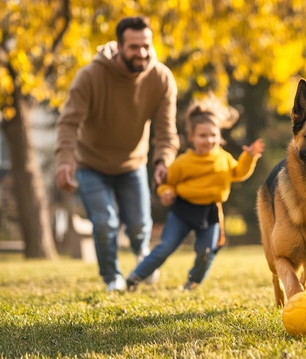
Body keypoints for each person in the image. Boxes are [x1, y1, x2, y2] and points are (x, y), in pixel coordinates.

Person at [54, 16, 180, 292]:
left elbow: (166, 130)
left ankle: (141, 255)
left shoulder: (161, 78)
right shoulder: (91, 76)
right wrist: (64, 161)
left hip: (132, 163)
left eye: (146, 45)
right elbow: (68, 122)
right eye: (134, 47)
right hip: (91, 164)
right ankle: (112, 277)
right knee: (104, 222)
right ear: (120, 46)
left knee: (138, 225)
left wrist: (163, 161)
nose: (142, 52)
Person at [126, 97, 265, 291]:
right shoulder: (183, 162)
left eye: (213, 135)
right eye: (202, 135)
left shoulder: (223, 159)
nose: (209, 140)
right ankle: (135, 276)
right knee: (166, 246)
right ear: (191, 137)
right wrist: (166, 192)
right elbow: (166, 184)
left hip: (210, 212)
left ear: (219, 135)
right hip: (183, 209)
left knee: (206, 251)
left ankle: (192, 283)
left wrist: (249, 157)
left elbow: (238, 173)